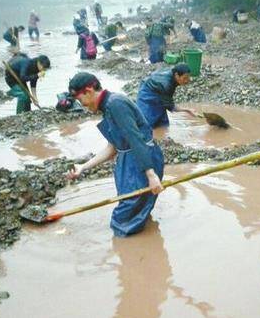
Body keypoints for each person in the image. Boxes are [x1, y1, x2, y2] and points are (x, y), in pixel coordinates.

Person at [66, 72, 165, 237]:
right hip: (129, 162)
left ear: (89, 91)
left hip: (142, 161)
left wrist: (151, 174)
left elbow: (135, 139)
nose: (81, 104)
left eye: (79, 99)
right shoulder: (108, 107)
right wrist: (83, 167)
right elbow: (113, 148)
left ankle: (128, 254)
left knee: (123, 218)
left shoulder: (115, 104)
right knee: (135, 210)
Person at [136, 64, 196, 128]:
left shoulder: (173, 74)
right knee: (147, 124)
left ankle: (162, 135)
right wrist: (187, 110)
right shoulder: (166, 84)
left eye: (188, 77)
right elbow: (171, 106)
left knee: (163, 124)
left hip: (158, 91)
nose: (187, 81)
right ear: (177, 75)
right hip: (147, 93)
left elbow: (167, 101)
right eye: (185, 78)